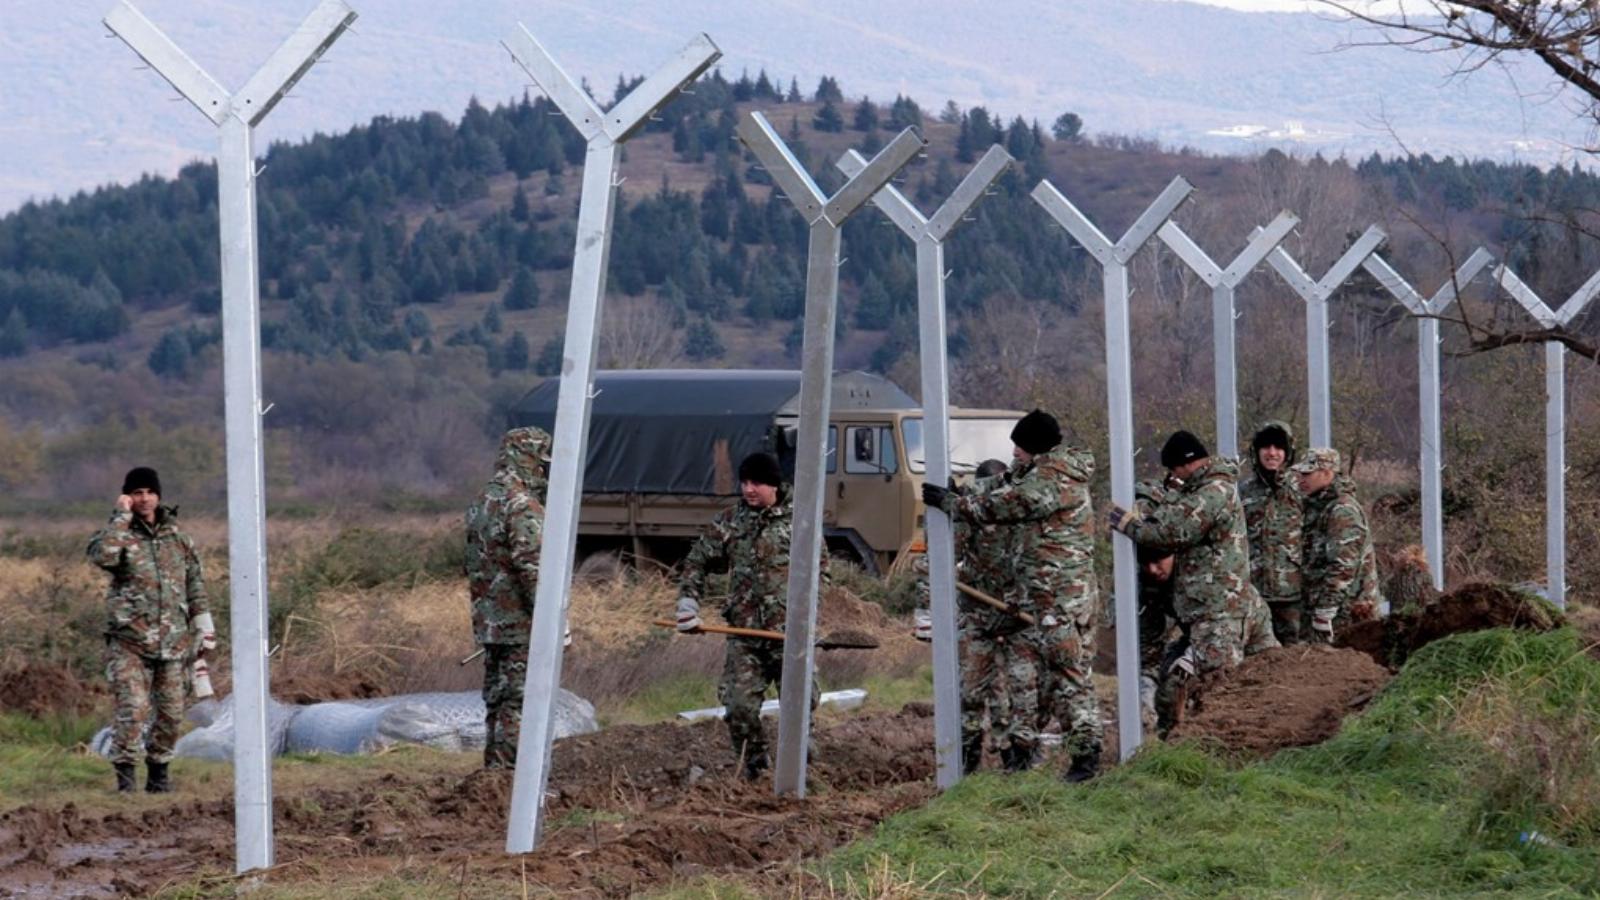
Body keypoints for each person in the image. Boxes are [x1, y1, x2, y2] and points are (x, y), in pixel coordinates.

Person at [922, 409, 1104, 782]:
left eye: (1020, 446)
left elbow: (1008, 503)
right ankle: (1065, 757)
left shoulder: (1053, 480)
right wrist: (963, 490)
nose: (1015, 453)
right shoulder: (1038, 471)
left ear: (1035, 447)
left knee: (1068, 679)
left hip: (1061, 599)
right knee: (1057, 679)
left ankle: (1086, 760)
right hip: (1046, 599)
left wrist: (955, 505)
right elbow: (1002, 484)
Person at [1106, 430, 1279, 735]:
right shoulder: (1209, 489)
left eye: (1174, 470)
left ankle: (1229, 748)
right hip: (1213, 609)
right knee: (1191, 681)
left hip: (1218, 610)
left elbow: (1170, 532)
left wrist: (1128, 525)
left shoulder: (1213, 491)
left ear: (1185, 464)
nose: (1174, 477)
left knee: (1220, 685)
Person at [676, 452, 823, 780]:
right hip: (745, 636)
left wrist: (809, 616)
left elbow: (820, 570)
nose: (748, 489)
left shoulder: (799, 522)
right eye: (744, 482)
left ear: (773, 485)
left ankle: (800, 759)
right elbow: (696, 561)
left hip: (789, 636)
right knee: (739, 708)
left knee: (801, 706)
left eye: (756, 482)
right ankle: (756, 769)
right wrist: (688, 604)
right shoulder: (731, 523)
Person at [87, 466, 212, 793]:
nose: (144, 499)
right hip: (130, 642)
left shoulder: (178, 539)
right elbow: (102, 556)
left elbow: (194, 583)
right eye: (137, 493)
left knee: (171, 713)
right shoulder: (120, 535)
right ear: (128, 496)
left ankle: (159, 777)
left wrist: (204, 627)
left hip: (173, 643)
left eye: (150, 492)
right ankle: (126, 780)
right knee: (133, 710)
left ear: (159, 496)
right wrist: (120, 517)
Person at [914, 459, 1033, 774]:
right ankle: (966, 762)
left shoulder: (1018, 513)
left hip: (1017, 617)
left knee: (1019, 693)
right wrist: (945, 513)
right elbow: (943, 553)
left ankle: (1016, 759)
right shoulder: (971, 516)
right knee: (971, 692)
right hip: (978, 617)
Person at [464, 426, 552, 769]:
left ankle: (494, 774)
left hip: (489, 622)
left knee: (497, 700)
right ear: (527, 459)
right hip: (521, 625)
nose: (543, 470)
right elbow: (533, 568)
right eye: (539, 462)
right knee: (520, 701)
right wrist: (552, 622)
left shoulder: (482, 501)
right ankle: (516, 778)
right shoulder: (521, 505)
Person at [1292, 447, 1382, 642]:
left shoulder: (1342, 510)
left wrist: (1326, 610)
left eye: (1307, 473)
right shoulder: (1319, 507)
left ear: (1327, 473)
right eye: (1300, 473)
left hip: (1346, 615)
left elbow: (1343, 566)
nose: (1301, 478)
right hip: (1328, 609)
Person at [1239, 421, 1306, 644]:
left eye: (1278, 448)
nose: (1272, 453)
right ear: (1256, 452)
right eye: (1266, 447)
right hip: (1254, 591)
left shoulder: (1300, 488)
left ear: (1287, 453)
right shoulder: (1243, 491)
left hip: (1293, 593)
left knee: (1295, 655)